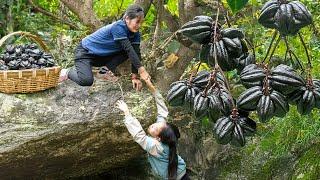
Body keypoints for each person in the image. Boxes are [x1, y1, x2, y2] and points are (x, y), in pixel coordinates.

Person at [59, 4, 150, 91]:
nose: (139, 26)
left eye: (141, 22)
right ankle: (67, 72)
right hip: (84, 52)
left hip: (100, 57)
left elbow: (135, 53)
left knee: (131, 51)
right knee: (86, 81)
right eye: (137, 22)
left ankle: (102, 72)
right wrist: (142, 71)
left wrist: (135, 76)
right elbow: (129, 49)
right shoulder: (118, 27)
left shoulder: (136, 34)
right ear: (127, 19)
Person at [116, 79, 190, 180]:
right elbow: (163, 112)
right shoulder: (165, 134)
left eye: (155, 129)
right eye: (156, 124)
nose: (153, 125)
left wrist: (127, 113)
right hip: (180, 172)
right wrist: (153, 89)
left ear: (158, 138)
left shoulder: (156, 147)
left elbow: (140, 137)